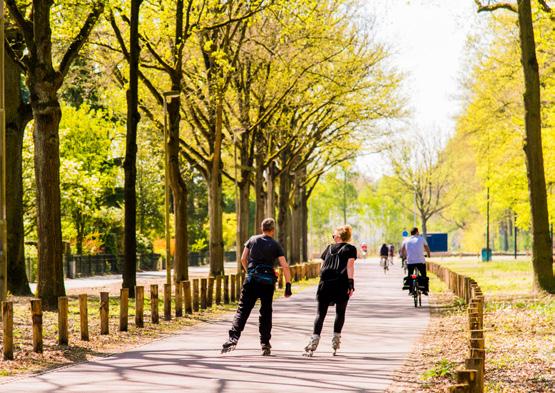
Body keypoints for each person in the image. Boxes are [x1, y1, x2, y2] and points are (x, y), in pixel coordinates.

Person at [221, 218, 292, 356]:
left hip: (251, 280)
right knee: (266, 312)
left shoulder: (252, 240)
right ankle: (265, 343)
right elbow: (285, 266)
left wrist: (249, 272)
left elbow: (243, 258)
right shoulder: (276, 245)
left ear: (261, 228)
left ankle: (233, 338)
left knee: (243, 309)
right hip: (267, 283)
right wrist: (288, 285)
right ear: (273, 230)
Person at [304, 225, 357, 356]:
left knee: (320, 314)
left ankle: (314, 341)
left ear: (338, 236)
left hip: (325, 284)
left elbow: (322, 266)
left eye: (334, 236)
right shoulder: (351, 249)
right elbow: (350, 267)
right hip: (341, 284)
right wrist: (351, 284)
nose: (333, 238)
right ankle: (336, 341)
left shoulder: (328, 248)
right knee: (340, 312)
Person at [400, 227, 431, 295]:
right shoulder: (421, 239)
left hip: (410, 261)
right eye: (418, 231)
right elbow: (426, 248)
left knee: (410, 275)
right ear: (417, 232)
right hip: (420, 261)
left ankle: (411, 290)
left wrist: (403, 256)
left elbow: (402, 250)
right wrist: (428, 255)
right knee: (423, 275)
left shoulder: (406, 240)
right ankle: (425, 290)